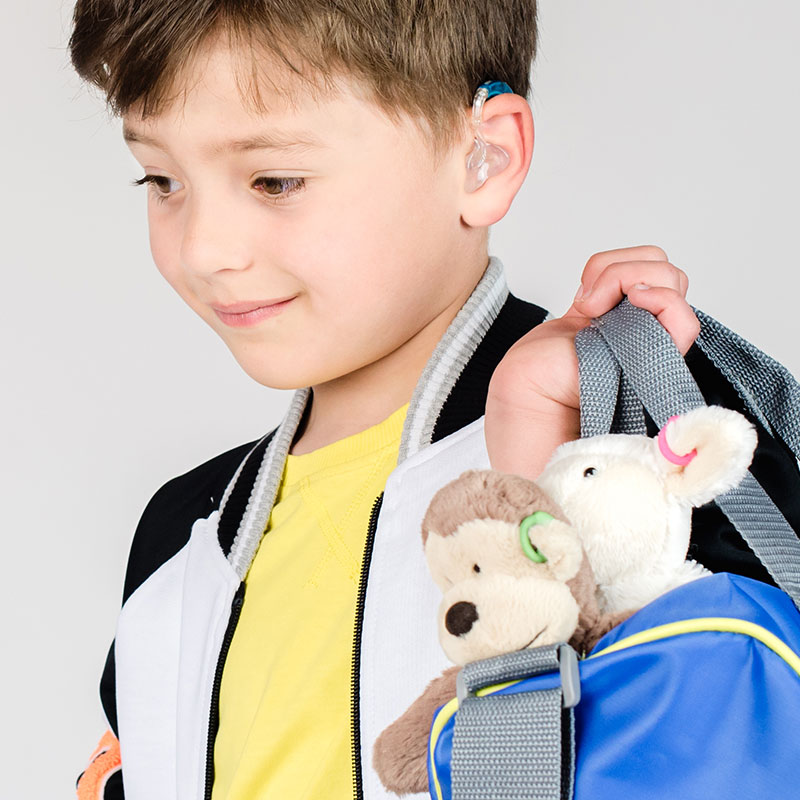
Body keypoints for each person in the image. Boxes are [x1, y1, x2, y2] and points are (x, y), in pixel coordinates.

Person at [68, 2, 800, 799]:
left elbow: (733, 740)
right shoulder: (181, 537)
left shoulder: (647, 448)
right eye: (163, 180)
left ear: (485, 156)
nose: (203, 248)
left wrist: (539, 462)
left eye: (275, 180)